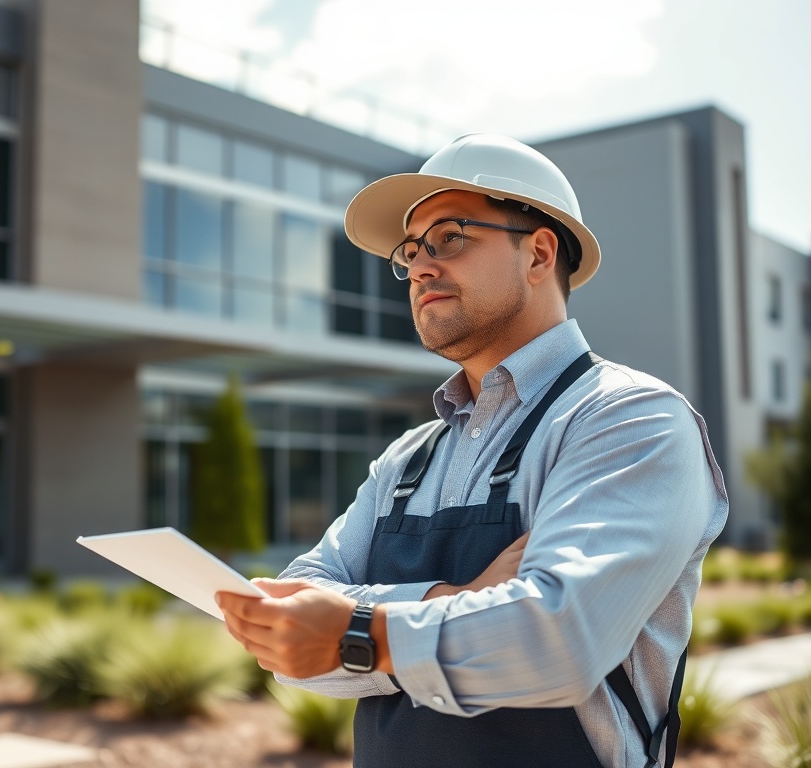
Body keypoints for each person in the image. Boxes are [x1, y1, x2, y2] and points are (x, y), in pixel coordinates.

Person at [216, 133, 729, 768]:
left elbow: (558, 644)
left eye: (451, 237)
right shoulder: (406, 459)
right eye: (410, 252)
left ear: (539, 253)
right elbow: (290, 627)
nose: (421, 267)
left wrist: (354, 634)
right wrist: (449, 602)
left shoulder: (629, 420)